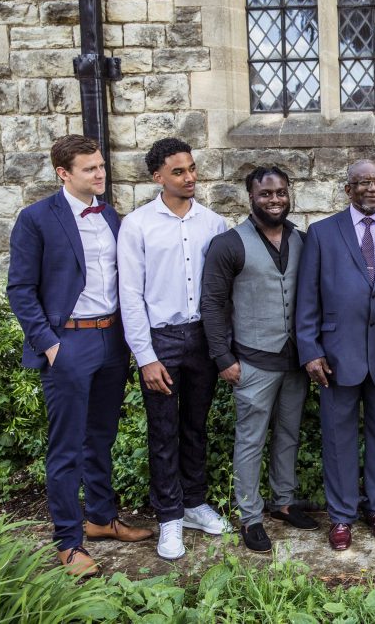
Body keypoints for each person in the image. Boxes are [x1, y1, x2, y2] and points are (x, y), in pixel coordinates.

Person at [7, 135, 152, 576]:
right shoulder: (35, 219)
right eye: (90, 168)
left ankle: (101, 519)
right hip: (68, 344)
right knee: (67, 447)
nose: (100, 173)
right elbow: (20, 289)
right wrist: (50, 345)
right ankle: (68, 543)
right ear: (63, 174)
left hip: (112, 340)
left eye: (101, 166)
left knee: (101, 436)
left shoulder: (111, 216)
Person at [118, 137, 233, 560]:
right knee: (163, 430)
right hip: (161, 340)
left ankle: (193, 503)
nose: (190, 177)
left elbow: (222, 292)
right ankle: (169, 517)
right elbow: (130, 296)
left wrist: (222, 346)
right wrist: (145, 356)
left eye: (192, 168)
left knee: (196, 426)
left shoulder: (213, 223)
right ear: (158, 177)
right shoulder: (138, 225)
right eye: (179, 171)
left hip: (202, 337)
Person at [200, 167, 317, 553]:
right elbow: (213, 305)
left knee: (288, 434)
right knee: (250, 439)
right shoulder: (229, 244)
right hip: (251, 361)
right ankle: (250, 515)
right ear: (250, 196)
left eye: (281, 192)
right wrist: (223, 358)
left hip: (295, 361)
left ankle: (283, 502)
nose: (275, 200)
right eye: (266, 194)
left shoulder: (303, 240)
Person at [295, 160, 375, 551]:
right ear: (348, 189)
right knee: (338, 438)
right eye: (363, 183)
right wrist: (310, 350)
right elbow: (307, 297)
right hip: (336, 356)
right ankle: (341, 516)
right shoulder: (322, 233)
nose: (373, 188)